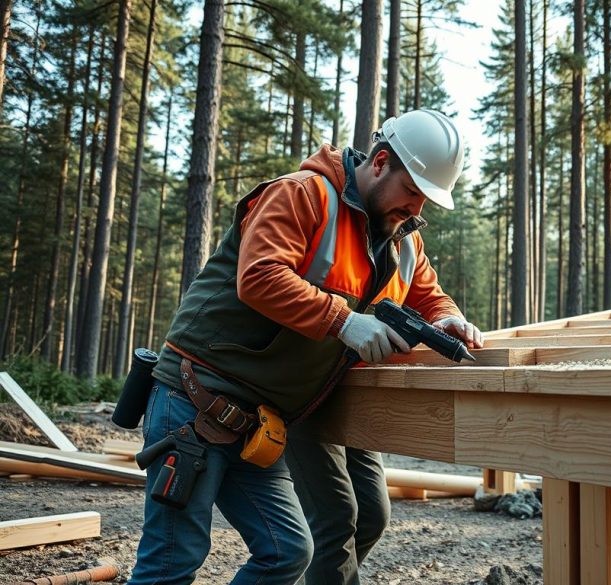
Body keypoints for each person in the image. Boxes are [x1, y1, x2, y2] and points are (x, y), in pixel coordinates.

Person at [129, 109, 484, 585]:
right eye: (413, 191)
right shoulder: (303, 194)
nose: (417, 209)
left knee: (287, 553)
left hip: (262, 421)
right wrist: (343, 321)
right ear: (380, 163)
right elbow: (259, 276)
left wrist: (447, 317)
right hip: (194, 402)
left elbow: (427, 293)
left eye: (427, 200)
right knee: (171, 564)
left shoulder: (402, 242)